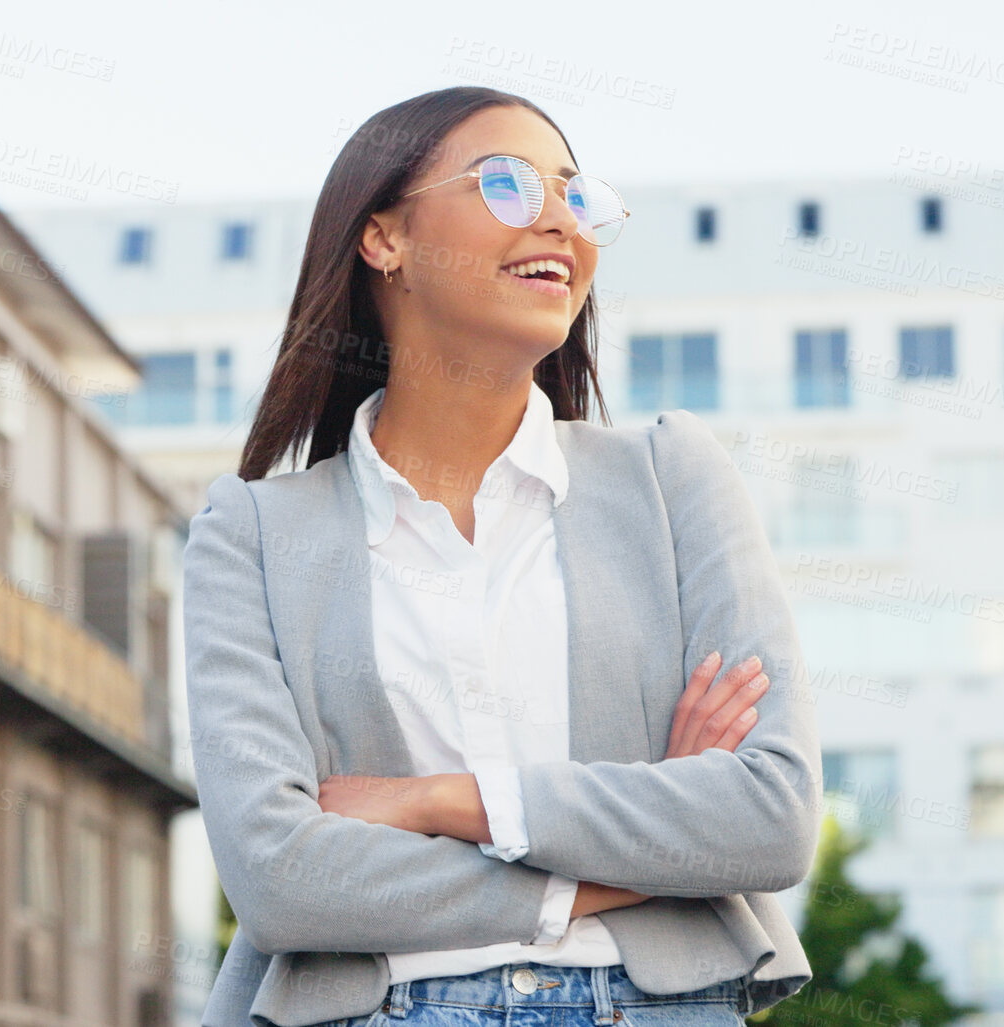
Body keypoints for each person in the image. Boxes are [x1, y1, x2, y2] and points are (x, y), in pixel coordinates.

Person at [184, 85, 820, 1027]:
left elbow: (766, 814)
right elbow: (280, 877)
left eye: (574, 194)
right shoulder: (252, 534)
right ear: (384, 239)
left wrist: (438, 801)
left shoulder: (670, 477)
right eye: (510, 185)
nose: (560, 220)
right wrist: (630, 849)